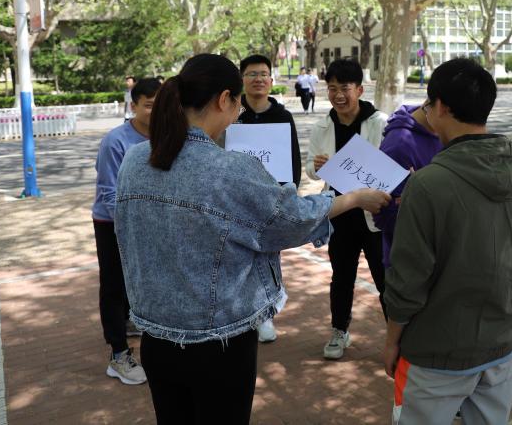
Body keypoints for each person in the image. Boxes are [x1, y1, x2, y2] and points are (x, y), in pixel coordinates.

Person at [115, 54, 389, 424]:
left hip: (156, 335)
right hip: (220, 339)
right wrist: (354, 198)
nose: (240, 111)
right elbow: (291, 218)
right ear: (223, 99)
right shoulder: (230, 168)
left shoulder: (135, 159)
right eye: (238, 101)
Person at [383, 58, 512, 424]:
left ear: (440, 106)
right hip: (499, 342)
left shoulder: (427, 184)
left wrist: (391, 340)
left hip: (435, 351)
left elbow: (408, 280)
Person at [305, 58, 389, 360]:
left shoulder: (379, 123)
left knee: (385, 279)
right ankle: (339, 331)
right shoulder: (322, 125)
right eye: (332, 88)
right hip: (340, 213)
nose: (338, 95)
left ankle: (398, 337)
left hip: (375, 215)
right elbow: (311, 169)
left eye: (345, 88)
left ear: (360, 90)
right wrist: (316, 167)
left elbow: (390, 165)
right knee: (341, 277)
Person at [92, 77, 161, 385]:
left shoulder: (166, 136)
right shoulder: (115, 141)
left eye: (161, 105)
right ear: (134, 106)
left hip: (149, 221)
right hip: (112, 223)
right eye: (149, 105)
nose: (155, 111)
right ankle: (118, 354)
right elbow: (109, 193)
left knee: (141, 279)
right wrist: (132, 227)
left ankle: (130, 322)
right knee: (114, 284)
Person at [236, 53, 302, 343]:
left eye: (263, 74)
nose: (258, 79)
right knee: (238, 255)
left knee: (269, 256)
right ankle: (242, 312)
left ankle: (266, 315)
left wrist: (290, 193)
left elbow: (293, 160)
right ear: (242, 80)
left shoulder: (283, 116)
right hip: (238, 197)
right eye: (252, 74)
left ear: (271, 80)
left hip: (271, 198)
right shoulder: (233, 115)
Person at [373, 102, 442, 268]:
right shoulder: (399, 145)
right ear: (440, 107)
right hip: (412, 264)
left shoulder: (443, 131)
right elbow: (384, 214)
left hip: (441, 258)